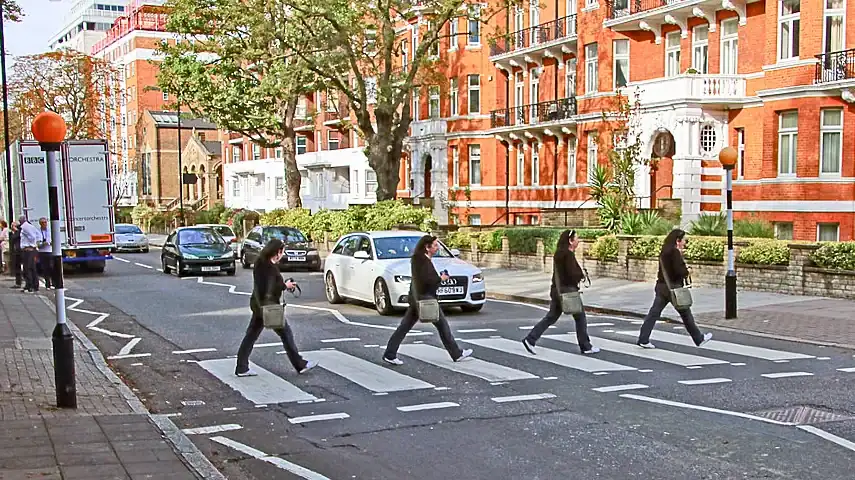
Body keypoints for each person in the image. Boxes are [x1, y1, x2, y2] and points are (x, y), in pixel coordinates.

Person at [383, 235, 472, 365]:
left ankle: (390, 354)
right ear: (427, 247)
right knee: (443, 326)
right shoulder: (421, 261)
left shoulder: (420, 259)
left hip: (417, 299)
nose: (437, 248)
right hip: (425, 299)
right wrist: (441, 278)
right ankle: (456, 353)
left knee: (404, 327)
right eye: (435, 245)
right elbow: (426, 281)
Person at [235, 238, 316, 377]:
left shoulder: (260, 263)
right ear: (277, 251)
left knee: (251, 336)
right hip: (269, 307)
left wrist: (283, 285)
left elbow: (264, 285)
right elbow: (270, 287)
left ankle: (242, 367)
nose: (282, 255)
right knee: (286, 334)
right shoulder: (269, 267)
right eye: (282, 251)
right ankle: (300, 364)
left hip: (258, 305)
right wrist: (286, 286)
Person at [523, 230, 599, 355]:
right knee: (580, 318)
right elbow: (571, 274)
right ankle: (586, 346)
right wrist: (581, 275)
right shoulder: (568, 255)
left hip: (557, 291)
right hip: (568, 292)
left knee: (551, 317)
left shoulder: (559, 254)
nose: (578, 241)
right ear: (570, 241)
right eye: (576, 239)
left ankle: (530, 339)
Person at [636, 228, 712, 349]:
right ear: (678, 240)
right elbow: (678, 271)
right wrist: (687, 271)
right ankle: (699, 338)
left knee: (653, 314)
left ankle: (643, 338)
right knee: (686, 314)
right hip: (674, 288)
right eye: (683, 240)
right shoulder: (674, 252)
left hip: (661, 286)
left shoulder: (664, 251)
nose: (684, 243)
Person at [18, 216, 40, 293]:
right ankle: (33, 285)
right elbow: (38, 235)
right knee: (31, 268)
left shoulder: (25, 227)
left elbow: (33, 236)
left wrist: (31, 244)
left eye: (19, 220)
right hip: (30, 250)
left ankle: (30, 286)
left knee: (27, 269)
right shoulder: (30, 226)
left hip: (29, 250)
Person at [37, 218, 53, 289]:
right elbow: (37, 243)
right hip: (42, 252)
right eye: (42, 223)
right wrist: (43, 244)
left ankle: (53, 283)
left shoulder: (50, 231)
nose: (44, 224)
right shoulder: (38, 232)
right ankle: (48, 284)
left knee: (52, 267)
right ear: (40, 224)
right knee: (45, 269)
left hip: (50, 251)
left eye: (45, 222)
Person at [7, 221, 22, 288]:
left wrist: (15, 231)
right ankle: (18, 282)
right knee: (17, 267)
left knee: (21, 267)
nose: (11, 227)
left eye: (13, 226)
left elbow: (15, 238)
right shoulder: (14, 233)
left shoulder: (19, 232)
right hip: (15, 252)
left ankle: (19, 282)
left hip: (20, 251)